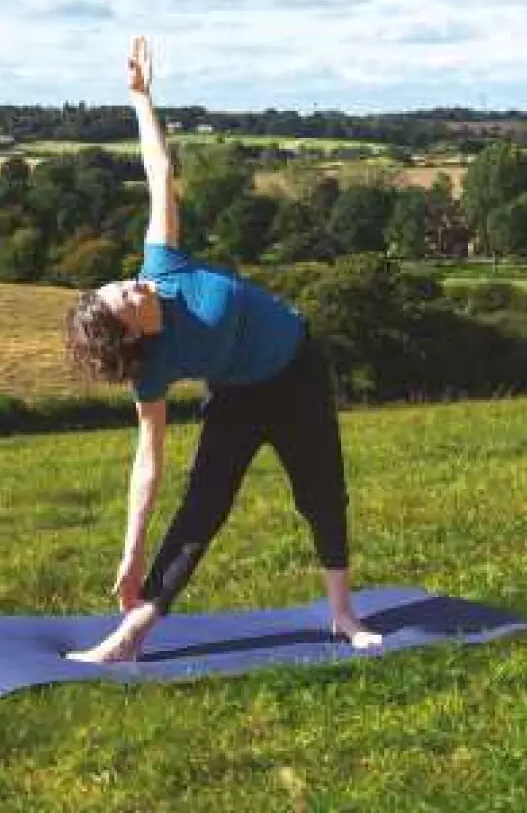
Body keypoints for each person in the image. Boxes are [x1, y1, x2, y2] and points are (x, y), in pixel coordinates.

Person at [63, 36, 382, 663]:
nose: (129, 284)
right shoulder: (150, 371)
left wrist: (141, 99)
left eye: (116, 285)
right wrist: (129, 553)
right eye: (120, 298)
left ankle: (343, 614)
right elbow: (146, 465)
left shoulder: (163, 262)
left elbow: (159, 173)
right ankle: (132, 635)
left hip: (297, 369)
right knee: (202, 509)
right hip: (238, 394)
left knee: (322, 493)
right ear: (127, 333)